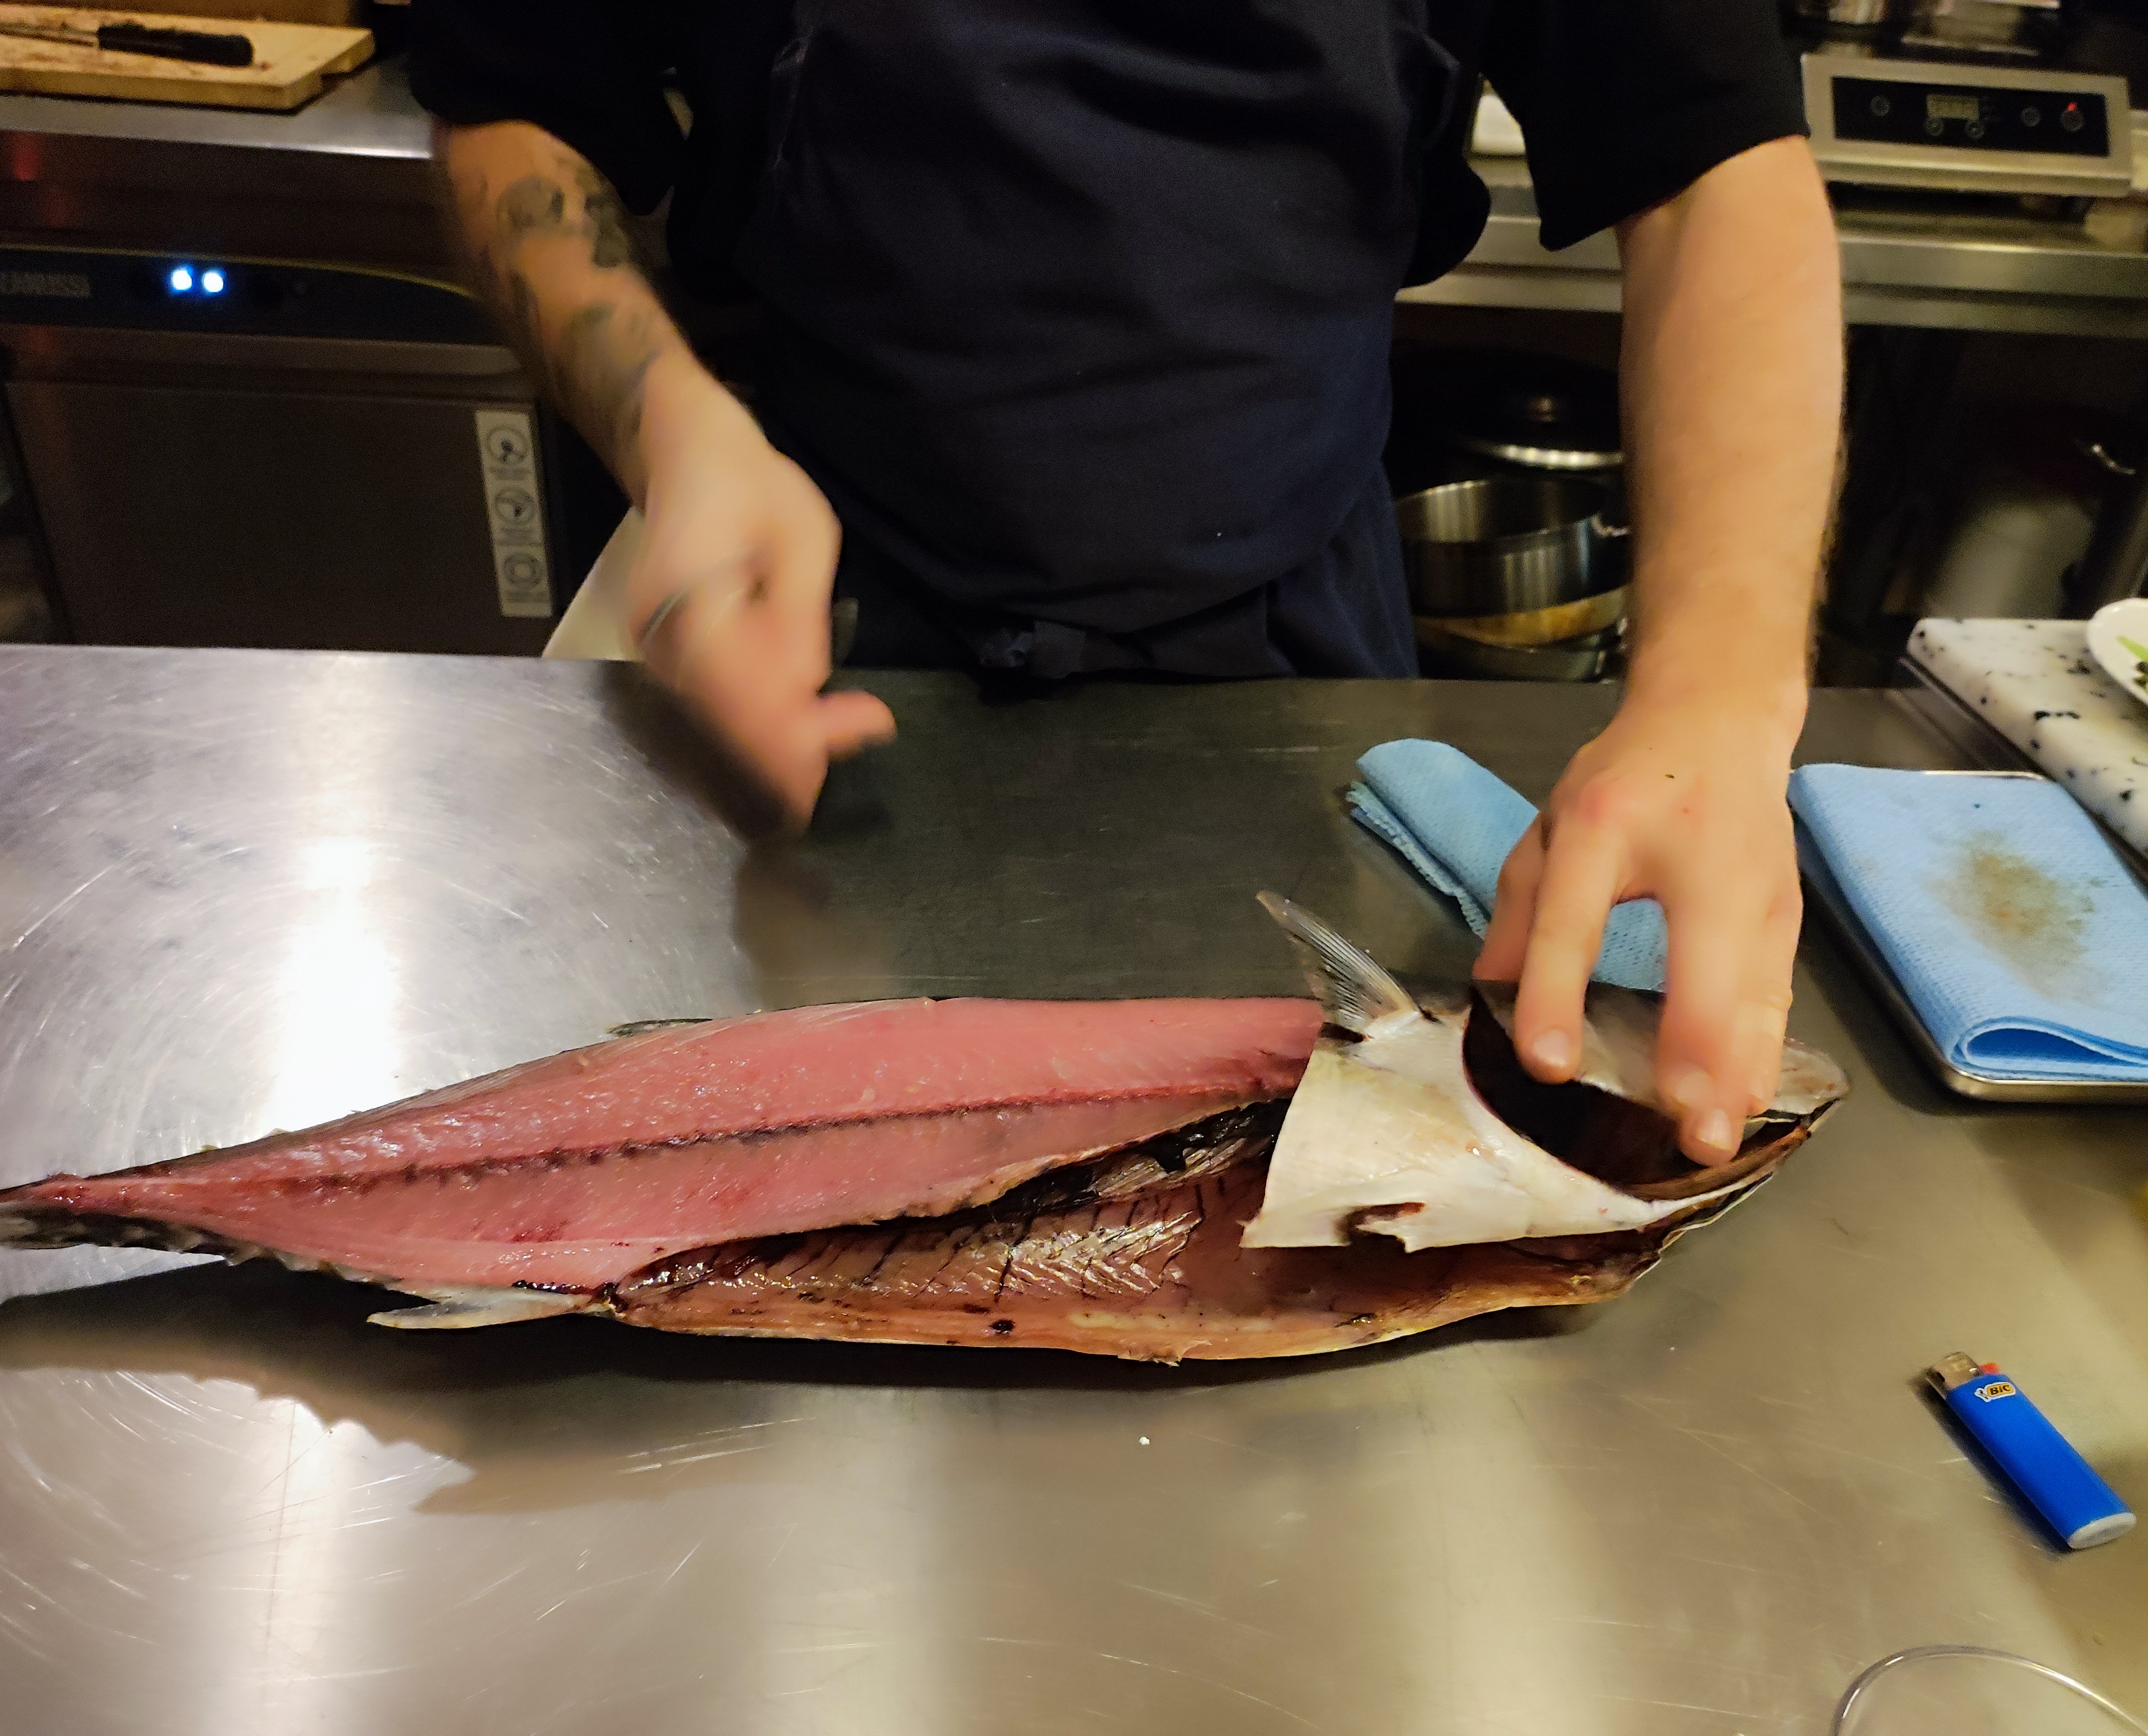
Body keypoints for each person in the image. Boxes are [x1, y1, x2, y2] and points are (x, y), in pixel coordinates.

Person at [410, 1, 1843, 1168]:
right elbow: (514, 106)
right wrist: (672, 433)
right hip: (796, 618)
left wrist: (1713, 703)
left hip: (1302, 659)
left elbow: (1711, 162)